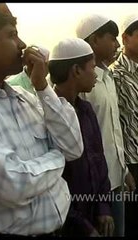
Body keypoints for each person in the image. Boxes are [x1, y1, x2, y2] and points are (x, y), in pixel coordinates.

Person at [0, 4, 83, 236]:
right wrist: (58, 158)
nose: (23, 45)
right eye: (11, 35)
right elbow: (14, 182)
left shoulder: (26, 97)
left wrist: (43, 87)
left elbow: (74, 148)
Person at [76, 14, 136, 237]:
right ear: (93, 40)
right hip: (94, 185)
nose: (117, 45)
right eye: (112, 38)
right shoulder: (81, 81)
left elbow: (113, 131)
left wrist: (124, 170)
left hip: (115, 176)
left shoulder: (108, 78)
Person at [48, 38, 113, 237]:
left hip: (94, 212)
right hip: (67, 222)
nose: (95, 74)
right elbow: (54, 183)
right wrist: (83, 226)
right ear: (76, 70)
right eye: (92, 68)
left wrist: (103, 207)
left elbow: (99, 160)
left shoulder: (86, 110)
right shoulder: (48, 115)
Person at [110, 14, 138, 237]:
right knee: (129, 221)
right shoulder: (115, 74)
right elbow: (114, 123)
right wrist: (125, 167)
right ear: (125, 38)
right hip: (127, 161)